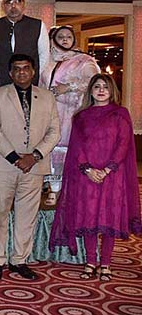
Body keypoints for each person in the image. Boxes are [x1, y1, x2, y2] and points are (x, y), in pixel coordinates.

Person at [49, 74, 142, 281]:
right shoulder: (81, 117)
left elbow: (123, 144)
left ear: (112, 91)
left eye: (105, 87)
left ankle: (106, 264)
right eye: (97, 86)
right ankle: (91, 261)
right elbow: (77, 147)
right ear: (90, 90)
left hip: (112, 176)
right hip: (87, 176)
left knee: (108, 219)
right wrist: (88, 169)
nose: (101, 90)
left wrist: (107, 170)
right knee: (89, 218)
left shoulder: (120, 114)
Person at [0, 54, 60, 280]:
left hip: (34, 166)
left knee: (27, 216)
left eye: (26, 68)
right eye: (16, 69)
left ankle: (19, 260)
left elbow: (54, 132)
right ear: (10, 73)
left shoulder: (47, 97)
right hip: (4, 165)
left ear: (33, 71)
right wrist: (15, 158)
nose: (21, 72)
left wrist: (34, 156)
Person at [39, 25, 99, 206]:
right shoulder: (47, 60)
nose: (65, 40)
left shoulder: (83, 60)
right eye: (61, 36)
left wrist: (69, 87)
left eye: (68, 36)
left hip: (70, 113)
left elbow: (95, 82)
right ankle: (49, 185)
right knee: (48, 147)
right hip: (49, 111)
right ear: (53, 39)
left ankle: (58, 190)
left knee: (63, 150)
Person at [0, 0, 50, 87]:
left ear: (24, 5)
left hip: (29, 82)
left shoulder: (37, 25)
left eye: (18, 1)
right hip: (1, 82)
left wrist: (33, 74)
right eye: (9, 2)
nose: (13, 6)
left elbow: (44, 56)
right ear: (3, 6)